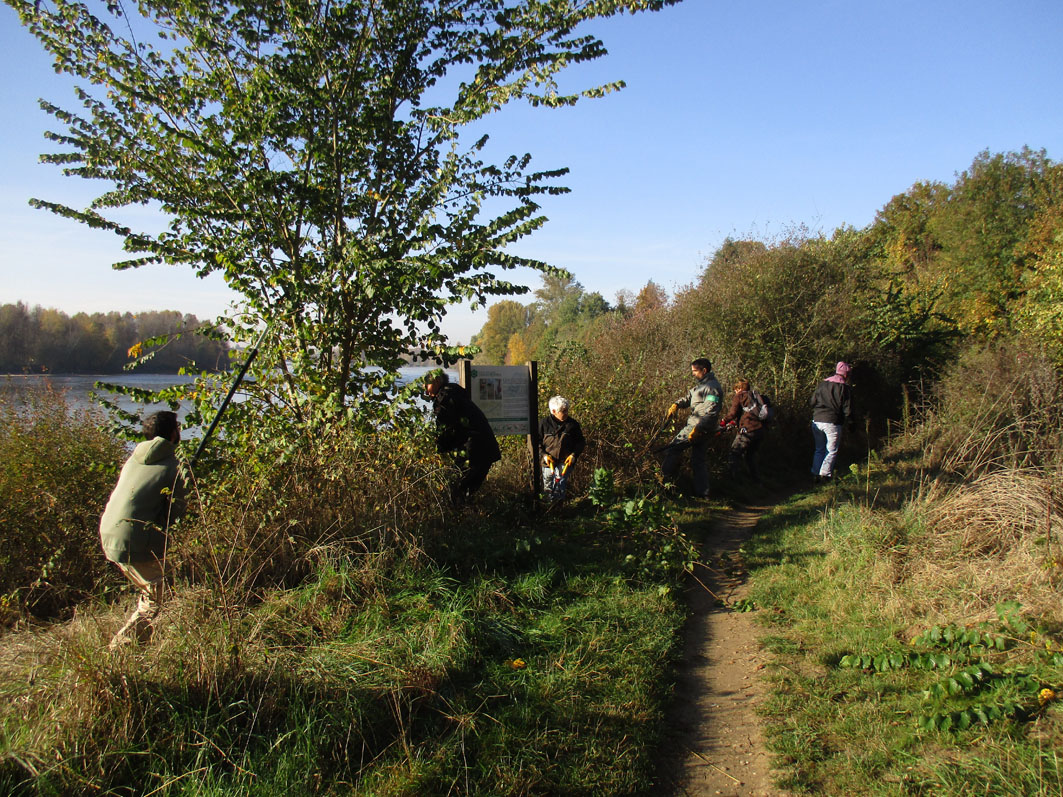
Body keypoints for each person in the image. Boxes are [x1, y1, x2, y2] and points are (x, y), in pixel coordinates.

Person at [99, 410, 185, 649]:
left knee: (152, 591)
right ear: (172, 434)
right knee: (159, 597)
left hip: (109, 532)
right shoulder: (173, 466)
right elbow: (175, 513)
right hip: (135, 539)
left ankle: (140, 647)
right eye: (178, 427)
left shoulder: (134, 457)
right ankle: (121, 649)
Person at [426, 371, 501, 505]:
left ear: (437, 382)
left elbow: (445, 429)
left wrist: (439, 449)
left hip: (474, 450)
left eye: (426, 385)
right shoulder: (456, 393)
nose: (425, 391)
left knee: (457, 491)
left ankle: (460, 520)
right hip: (484, 449)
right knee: (466, 492)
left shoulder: (445, 398)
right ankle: (468, 518)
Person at [661, 357, 723, 498]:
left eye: (695, 371)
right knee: (698, 461)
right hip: (699, 428)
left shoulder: (712, 388)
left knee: (672, 449)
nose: (693, 374)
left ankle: (663, 485)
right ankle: (702, 493)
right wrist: (676, 405)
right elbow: (689, 398)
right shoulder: (700, 386)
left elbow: (711, 412)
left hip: (698, 428)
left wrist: (698, 429)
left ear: (704, 370)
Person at [810, 361, 853, 482]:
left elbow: (812, 402)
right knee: (831, 450)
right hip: (832, 422)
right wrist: (851, 423)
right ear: (846, 374)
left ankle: (815, 473)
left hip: (817, 420)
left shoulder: (822, 384)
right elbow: (848, 409)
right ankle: (825, 475)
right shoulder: (844, 388)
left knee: (819, 449)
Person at [720, 378, 768, 483]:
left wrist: (723, 421)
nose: (735, 392)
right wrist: (734, 423)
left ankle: (733, 481)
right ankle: (756, 480)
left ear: (740, 388)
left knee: (734, 453)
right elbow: (745, 413)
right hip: (760, 430)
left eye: (735, 389)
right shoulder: (753, 396)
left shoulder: (739, 396)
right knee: (750, 455)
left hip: (747, 430)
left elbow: (733, 413)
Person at [538, 395, 586, 501]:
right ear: (554, 411)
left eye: (567, 410)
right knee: (548, 487)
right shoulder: (543, 424)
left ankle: (560, 508)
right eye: (563, 411)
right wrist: (544, 455)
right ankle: (548, 509)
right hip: (547, 462)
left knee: (560, 486)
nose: (566, 413)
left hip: (565, 462)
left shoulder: (572, 425)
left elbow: (580, 442)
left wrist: (574, 455)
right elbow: (536, 442)